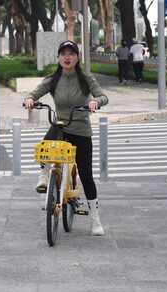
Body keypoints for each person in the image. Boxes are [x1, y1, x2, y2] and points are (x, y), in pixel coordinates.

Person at [23, 40, 108, 236]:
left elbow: (103, 96)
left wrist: (95, 101)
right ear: (59, 58)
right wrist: (30, 99)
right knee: (45, 146)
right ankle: (44, 177)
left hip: (81, 130)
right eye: (63, 54)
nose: (67, 57)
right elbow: (35, 93)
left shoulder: (86, 78)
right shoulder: (53, 79)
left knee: (86, 176)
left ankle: (95, 219)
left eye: (71, 53)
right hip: (61, 126)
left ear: (77, 57)